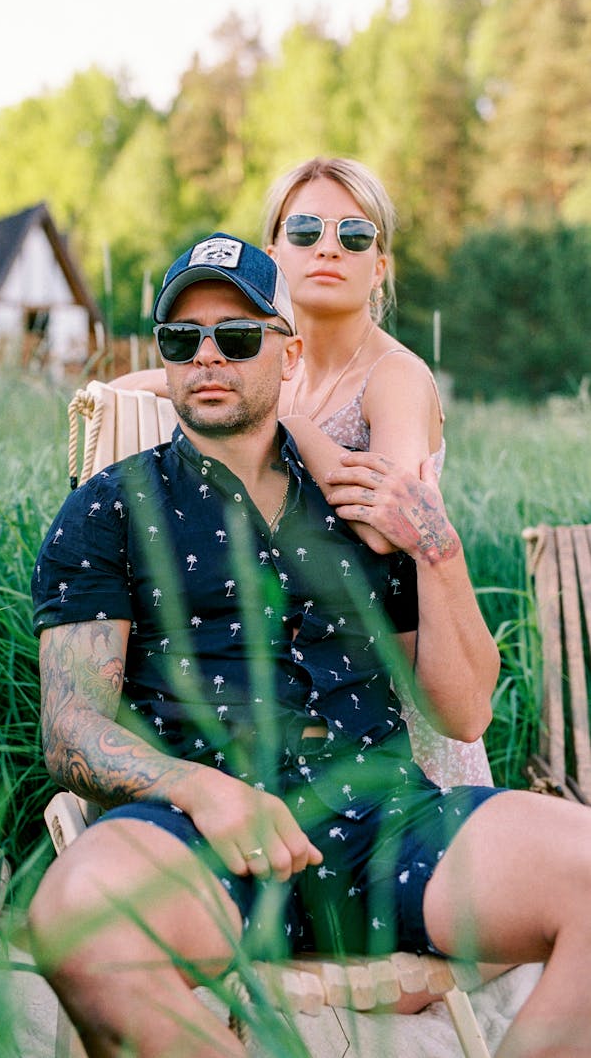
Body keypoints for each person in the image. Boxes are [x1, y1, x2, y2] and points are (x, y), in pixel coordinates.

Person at [29, 234, 591, 1058]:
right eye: (182, 340)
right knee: (76, 916)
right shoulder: (111, 509)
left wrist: (438, 552)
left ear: (288, 355)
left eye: (238, 334)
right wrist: (202, 791)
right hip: (206, 837)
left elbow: (464, 711)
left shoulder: (355, 502)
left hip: (385, 825)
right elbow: (71, 727)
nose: (208, 356)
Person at [113, 156, 491, 790]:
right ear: (272, 256)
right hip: (306, 674)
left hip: (390, 679)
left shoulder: (394, 376)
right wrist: (163, 380)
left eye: (355, 236)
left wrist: (287, 421)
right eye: (306, 231)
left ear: (381, 268)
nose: (329, 250)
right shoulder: (275, 371)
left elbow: (382, 525)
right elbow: (136, 386)